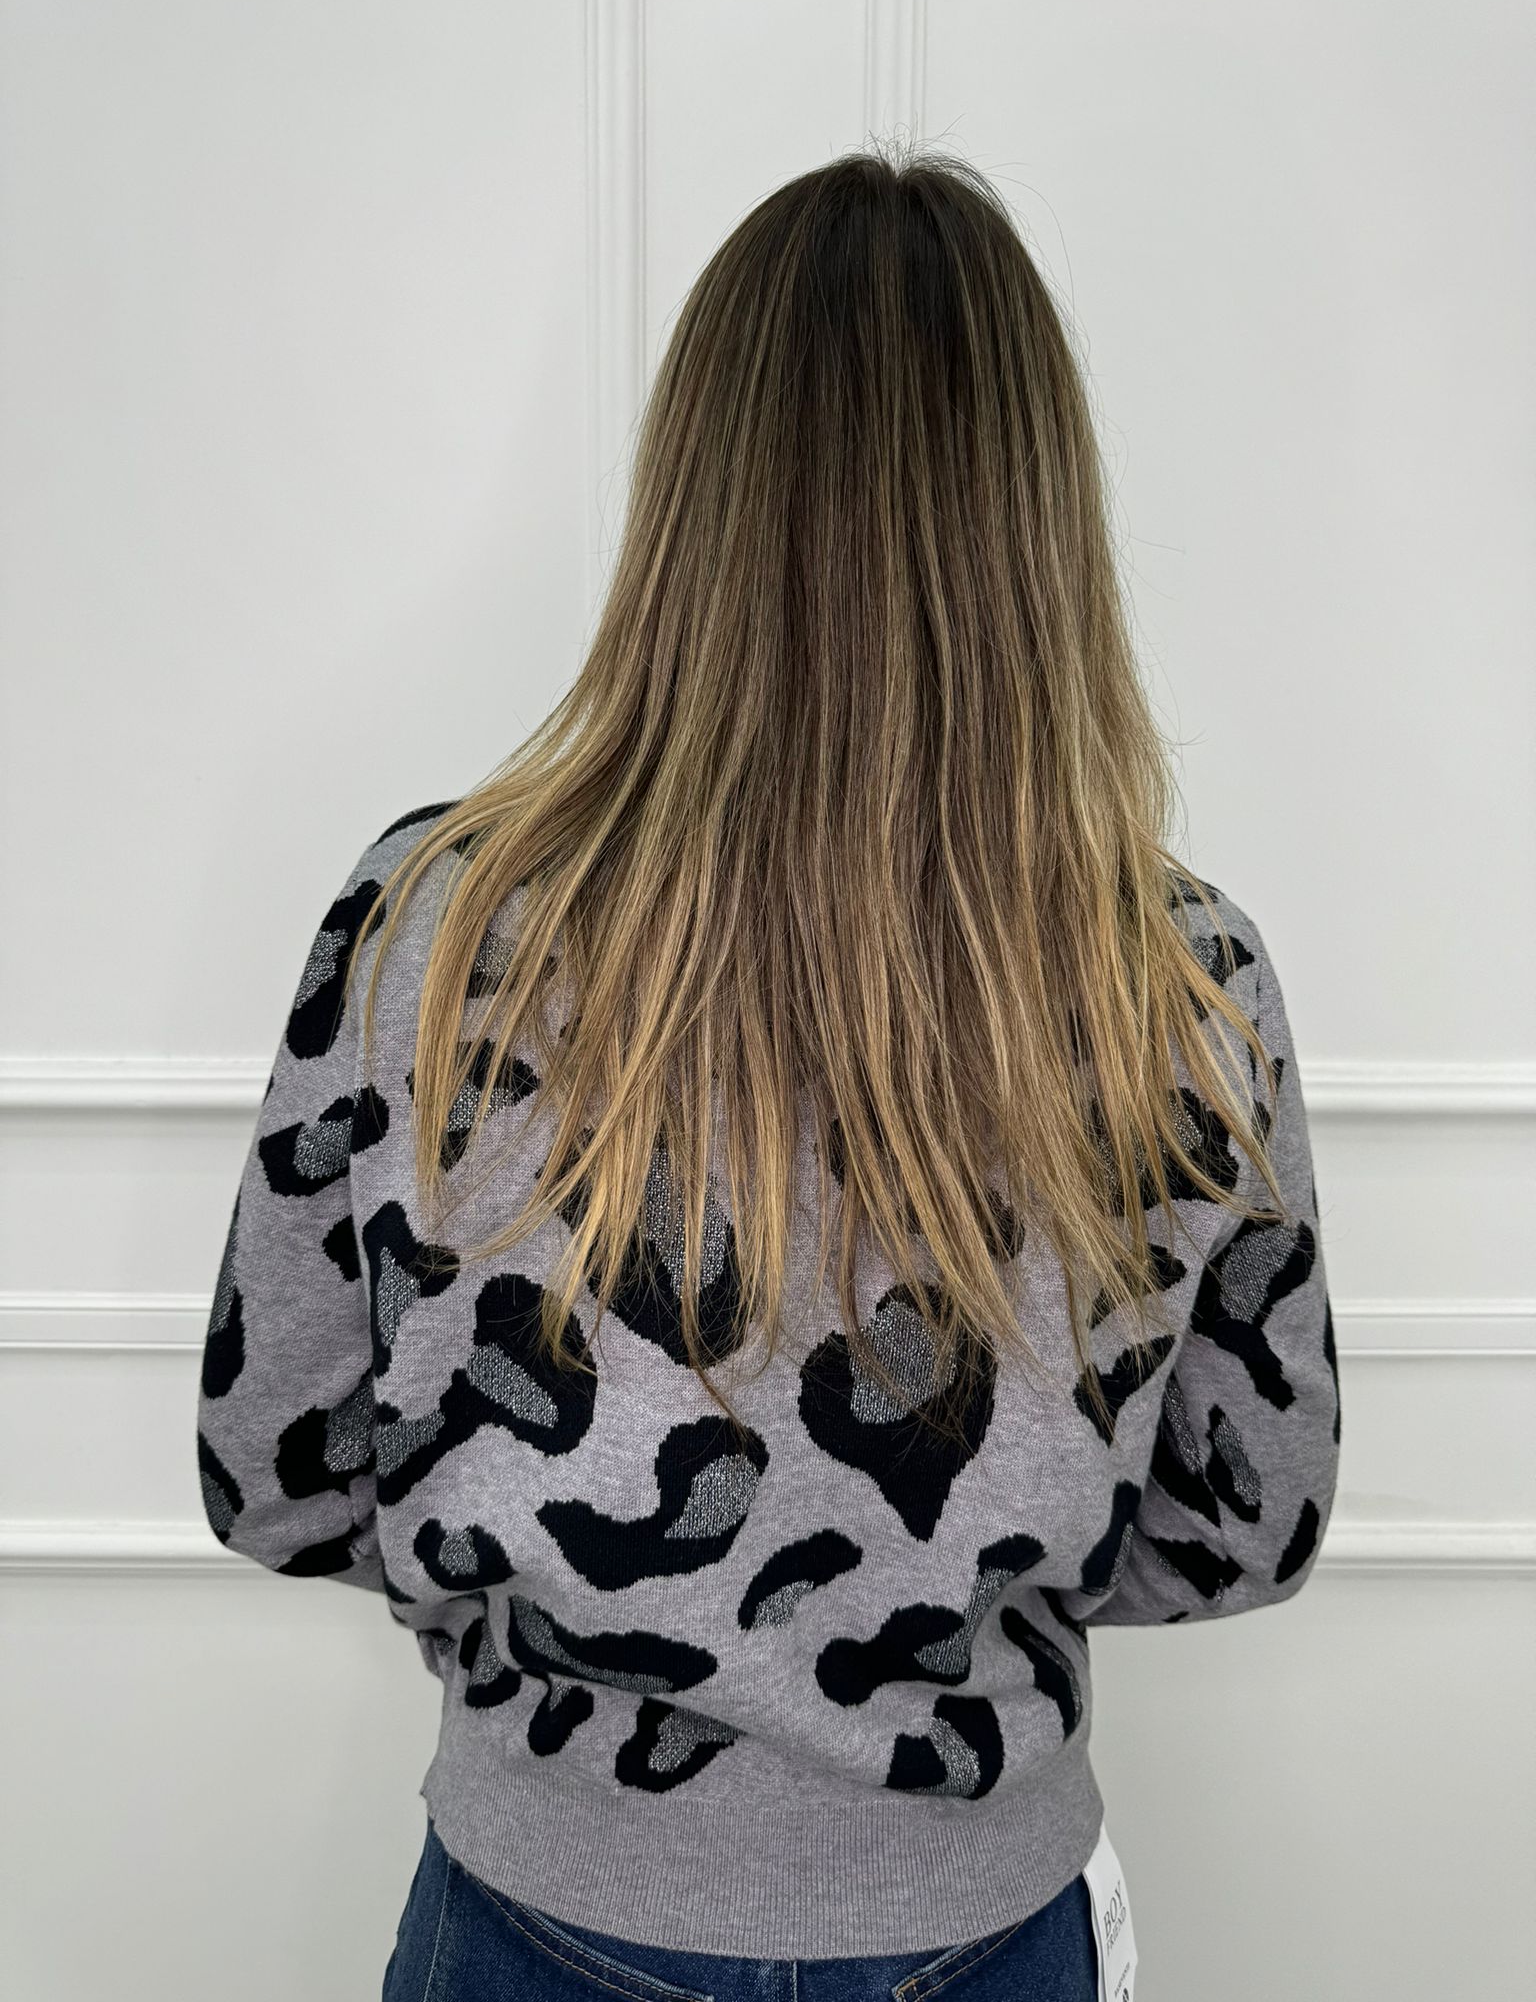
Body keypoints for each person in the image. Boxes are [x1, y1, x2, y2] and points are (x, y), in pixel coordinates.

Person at [196, 144, 1341, 2001]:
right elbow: (1244, 1522)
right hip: (982, 1926)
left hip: (530, 1916)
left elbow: (277, 1471)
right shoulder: (1181, 986)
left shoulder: (431, 929)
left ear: (694, 498)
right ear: (1039, 525)